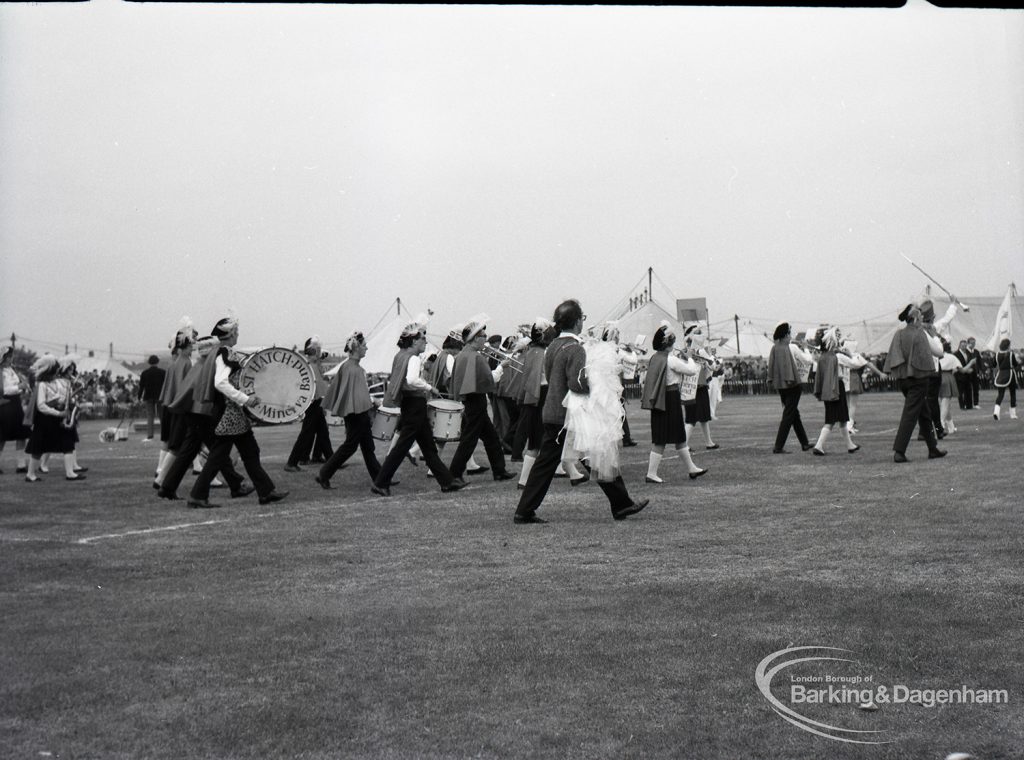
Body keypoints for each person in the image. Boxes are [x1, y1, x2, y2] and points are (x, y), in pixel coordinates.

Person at [514, 299, 649, 524]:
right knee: (596, 456)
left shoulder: (553, 346)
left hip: (552, 412)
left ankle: (524, 510)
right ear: (578, 322)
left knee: (550, 464)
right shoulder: (575, 349)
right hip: (570, 415)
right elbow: (577, 383)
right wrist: (595, 383)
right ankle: (621, 504)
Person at [187, 317, 287, 508]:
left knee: (249, 452)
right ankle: (198, 495)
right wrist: (245, 399)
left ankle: (266, 491)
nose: (238, 335)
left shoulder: (220, 352)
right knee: (220, 456)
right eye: (236, 332)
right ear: (230, 334)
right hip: (229, 413)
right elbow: (221, 382)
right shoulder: (226, 353)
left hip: (231, 413)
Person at [371, 320, 465, 497]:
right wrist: (430, 388)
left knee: (428, 447)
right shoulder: (413, 358)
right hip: (415, 404)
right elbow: (412, 380)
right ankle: (381, 482)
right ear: (414, 341)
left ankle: (447, 481)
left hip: (410, 404)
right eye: (423, 339)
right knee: (402, 447)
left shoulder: (400, 355)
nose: (425, 342)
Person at [158, 330, 250, 501]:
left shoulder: (198, 365)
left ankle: (167, 487)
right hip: (200, 414)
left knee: (188, 452)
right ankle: (235, 484)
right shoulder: (206, 367)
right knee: (218, 450)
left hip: (192, 414)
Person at [447, 316, 515, 482]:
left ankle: (499, 471)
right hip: (476, 400)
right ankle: (454, 473)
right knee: (469, 441)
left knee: (491, 437)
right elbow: (488, 379)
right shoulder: (476, 357)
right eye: (483, 336)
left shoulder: (464, 355)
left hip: (471, 400)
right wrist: (501, 367)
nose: (486, 339)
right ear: (476, 338)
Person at [641, 321, 708, 483]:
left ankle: (691, 468)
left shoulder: (655, 358)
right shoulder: (670, 359)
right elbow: (691, 370)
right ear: (669, 343)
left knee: (675, 437)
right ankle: (651, 473)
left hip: (659, 400)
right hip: (670, 399)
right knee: (665, 438)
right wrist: (690, 358)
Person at [315, 331, 382, 488]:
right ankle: (324, 473)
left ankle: (380, 477)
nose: (366, 348)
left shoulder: (347, 366)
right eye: (364, 345)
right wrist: (373, 400)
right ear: (357, 347)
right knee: (351, 446)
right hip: (357, 413)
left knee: (367, 447)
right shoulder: (354, 369)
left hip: (354, 411)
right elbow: (359, 394)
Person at [883, 303, 946, 463]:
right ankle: (899, 451)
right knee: (910, 415)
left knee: (924, 413)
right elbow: (938, 353)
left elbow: (894, 357)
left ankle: (932, 448)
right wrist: (936, 338)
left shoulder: (899, 334)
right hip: (919, 380)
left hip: (903, 380)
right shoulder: (920, 334)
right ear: (916, 318)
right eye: (921, 318)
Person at [23, 355, 84, 482]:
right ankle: (30, 474)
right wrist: (57, 412)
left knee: (68, 443)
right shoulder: (42, 385)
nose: (58, 372)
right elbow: (41, 405)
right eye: (55, 370)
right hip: (45, 420)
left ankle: (70, 472)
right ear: (50, 371)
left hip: (55, 418)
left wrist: (63, 402)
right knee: (38, 447)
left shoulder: (54, 383)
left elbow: (57, 397)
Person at [154, 319, 198, 488]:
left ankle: (161, 475)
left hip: (171, 406)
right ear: (185, 346)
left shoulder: (174, 362)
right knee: (178, 445)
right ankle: (161, 478)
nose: (192, 348)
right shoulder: (185, 362)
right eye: (191, 345)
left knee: (177, 444)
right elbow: (185, 388)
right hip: (181, 408)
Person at [513, 318, 554, 489]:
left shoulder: (531, 352)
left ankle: (524, 480)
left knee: (536, 442)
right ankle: (525, 480)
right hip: (541, 397)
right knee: (540, 442)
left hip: (533, 399)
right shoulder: (541, 353)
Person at [284, 336, 333, 472]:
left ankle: (332, 459)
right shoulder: (309, 367)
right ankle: (292, 462)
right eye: (317, 349)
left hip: (315, 402)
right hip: (312, 403)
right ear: (313, 351)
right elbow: (314, 388)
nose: (319, 352)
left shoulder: (311, 366)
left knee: (323, 432)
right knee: (307, 433)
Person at [810, 327, 861, 456]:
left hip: (827, 391)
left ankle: (850, 445)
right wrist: (849, 353)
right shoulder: (836, 356)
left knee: (839, 419)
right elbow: (856, 364)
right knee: (833, 420)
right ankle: (819, 445)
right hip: (837, 389)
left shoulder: (822, 357)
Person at [767, 322, 816, 454]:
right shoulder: (791, 347)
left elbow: (771, 366)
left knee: (794, 414)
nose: (791, 336)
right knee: (789, 415)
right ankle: (778, 446)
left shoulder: (775, 348)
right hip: (793, 384)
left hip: (782, 386)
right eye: (789, 333)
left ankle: (804, 443)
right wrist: (806, 348)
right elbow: (808, 360)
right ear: (785, 335)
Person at [681, 323, 718, 449]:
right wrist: (710, 356)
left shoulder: (684, 351)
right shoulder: (701, 350)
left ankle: (708, 442)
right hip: (699, 386)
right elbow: (713, 366)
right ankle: (684, 444)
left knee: (699, 417)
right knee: (694, 418)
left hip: (688, 387)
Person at [842, 340, 885, 434]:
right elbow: (869, 364)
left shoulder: (841, 355)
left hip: (844, 379)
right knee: (852, 405)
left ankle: (849, 425)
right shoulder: (856, 355)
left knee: (848, 404)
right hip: (853, 378)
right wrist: (880, 373)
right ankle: (849, 426)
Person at [0, 345, 31, 475]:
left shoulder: (12, 370)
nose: (10, 359)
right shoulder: (1, 372)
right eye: (7, 357)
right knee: (2, 436)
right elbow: (4, 390)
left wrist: (23, 387)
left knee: (21, 435)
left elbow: (17, 387)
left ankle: (21, 465)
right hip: (5, 404)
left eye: (11, 356)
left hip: (16, 403)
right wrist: (19, 386)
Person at [138, 355, 166, 441]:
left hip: (148, 396)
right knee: (162, 416)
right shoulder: (163, 372)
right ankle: (164, 435)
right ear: (158, 362)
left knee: (150, 416)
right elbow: (166, 386)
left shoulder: (144, 373)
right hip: (160, 397)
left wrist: (139, 397)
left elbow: (141, 387)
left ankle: (150, 435)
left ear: (149, 362)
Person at [937, 339, 963, 434]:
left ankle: (951, 427)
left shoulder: (937, 356)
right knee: (945, 403)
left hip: (937, 377)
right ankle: (941, 425)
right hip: (947, 377)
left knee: (945, 404)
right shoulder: (952, 357)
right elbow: (959, 368)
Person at [991, 338, 1019, 420]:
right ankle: (1013, 414)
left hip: (1001, 374)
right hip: (1010, 374)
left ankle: (996, 412)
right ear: (1008, 346)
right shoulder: (1011, 354)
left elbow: (993, 364)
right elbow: (1015, 364)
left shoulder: (996, 354)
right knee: (1012, 394)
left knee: (1000, 394)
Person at [952, 340, 976, 410]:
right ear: (959, 345)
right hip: (959, 375)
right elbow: (956, 365)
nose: (964, 347)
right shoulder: (956, 354)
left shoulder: (968, 353)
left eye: (965, 345)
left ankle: (969, 405)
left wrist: (971, 369)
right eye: (962, 345)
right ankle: (962, 406)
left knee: (968, 390)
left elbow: (973, 362)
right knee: (960, 392)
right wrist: (965, 370)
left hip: (968, 375)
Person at [966, 337, 983, 408]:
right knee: (967, 389)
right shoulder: (965, 351)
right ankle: (968, 403)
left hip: (975, 372)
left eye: (974, 343)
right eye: (972, 343)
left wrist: (981, 370)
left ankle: (976, 403)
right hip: (967, 372)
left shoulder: (976, 351)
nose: (973, 344)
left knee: (976, 388)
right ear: (968, 343)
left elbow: (979, 362)